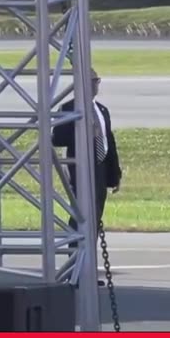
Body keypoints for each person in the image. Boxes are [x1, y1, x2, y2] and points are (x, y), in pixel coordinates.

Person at [52, 69, 123, 238]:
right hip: (81, 168)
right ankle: (76, 254)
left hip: (100, 168)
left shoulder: (102, 110)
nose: (94, 85)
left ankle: (89, 252)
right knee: (82, 213)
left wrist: (115, 176)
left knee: (97, 211)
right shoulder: (69, 108)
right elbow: (58, 139)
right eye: (91, 81)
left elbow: (109, 142)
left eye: (96, 81)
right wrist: (81, 128)